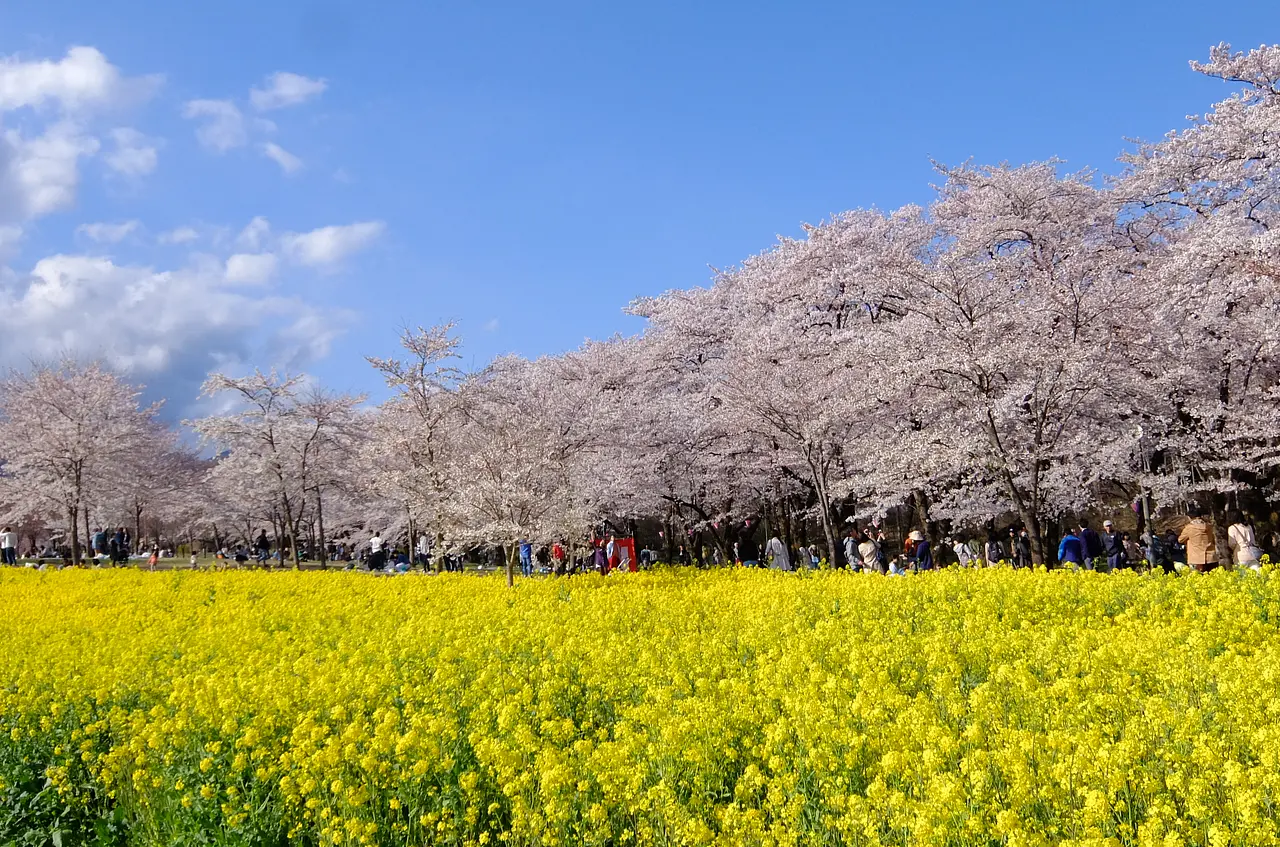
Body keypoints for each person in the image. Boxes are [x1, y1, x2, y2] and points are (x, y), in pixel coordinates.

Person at [1178, 508, 1217, 572]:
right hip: (1211, 557)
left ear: (1189, 517)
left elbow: (1180, 539)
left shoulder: (1189, 528)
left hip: (1196, 558)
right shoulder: (1209, 526)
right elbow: (1213, 539)